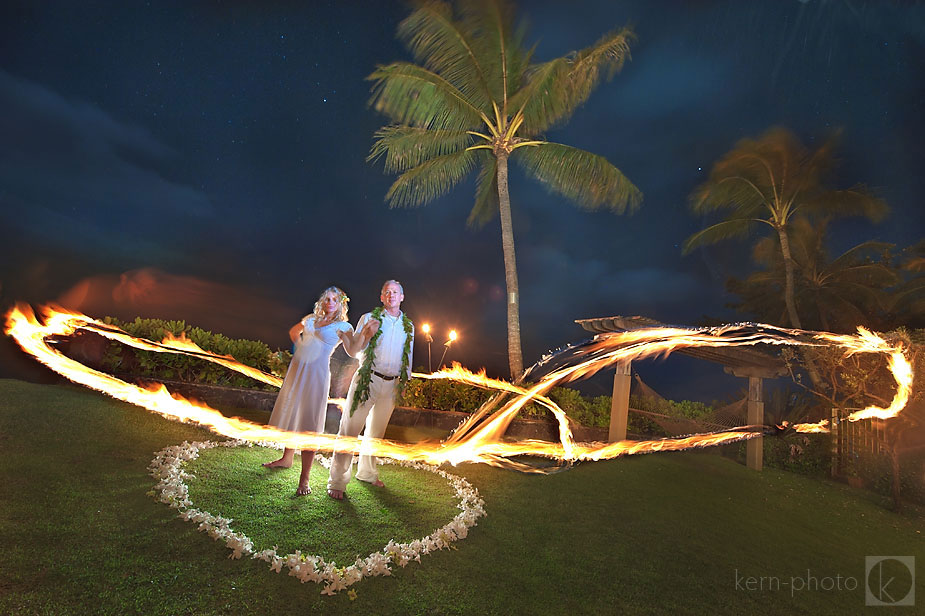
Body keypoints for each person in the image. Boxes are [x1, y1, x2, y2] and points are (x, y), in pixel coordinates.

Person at [327, 280, 414, 500]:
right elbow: (355, 351)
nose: (391, 295)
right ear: (382, 297)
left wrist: (404, 381)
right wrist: (366, 334)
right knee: (350, 428)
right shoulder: (369, 318)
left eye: (395, 292)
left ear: (402, 297)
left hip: (392, 384)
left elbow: (408, 355)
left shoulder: (409, 326)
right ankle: (337, 482)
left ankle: (367, 473)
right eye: (387, 292)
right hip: (368, 379)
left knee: (376, 433)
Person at [262, 286, 354, 496]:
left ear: (341, 304)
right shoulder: (311, 318)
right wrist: (302, 346)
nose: (329, 302)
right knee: (292, 411)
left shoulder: (343, 326)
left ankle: (304, 479)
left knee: (308, 421)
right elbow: (294, 332)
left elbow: (353, 348)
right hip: (298, 369)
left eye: (334, 300)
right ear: (322, 301)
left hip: (317, 374)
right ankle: (286, 458)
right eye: (327, 299)